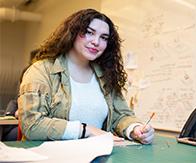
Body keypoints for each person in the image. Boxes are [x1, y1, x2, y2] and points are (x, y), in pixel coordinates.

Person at [18, 9, 154, 144]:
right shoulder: (41, 70)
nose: (96, 42)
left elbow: (121, 116)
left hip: (96, 154)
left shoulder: (106, 75)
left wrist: (135, 128)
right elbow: (32, 124)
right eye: (89, 32)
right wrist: (86, 130)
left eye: (104, 38)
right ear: (72, 33)